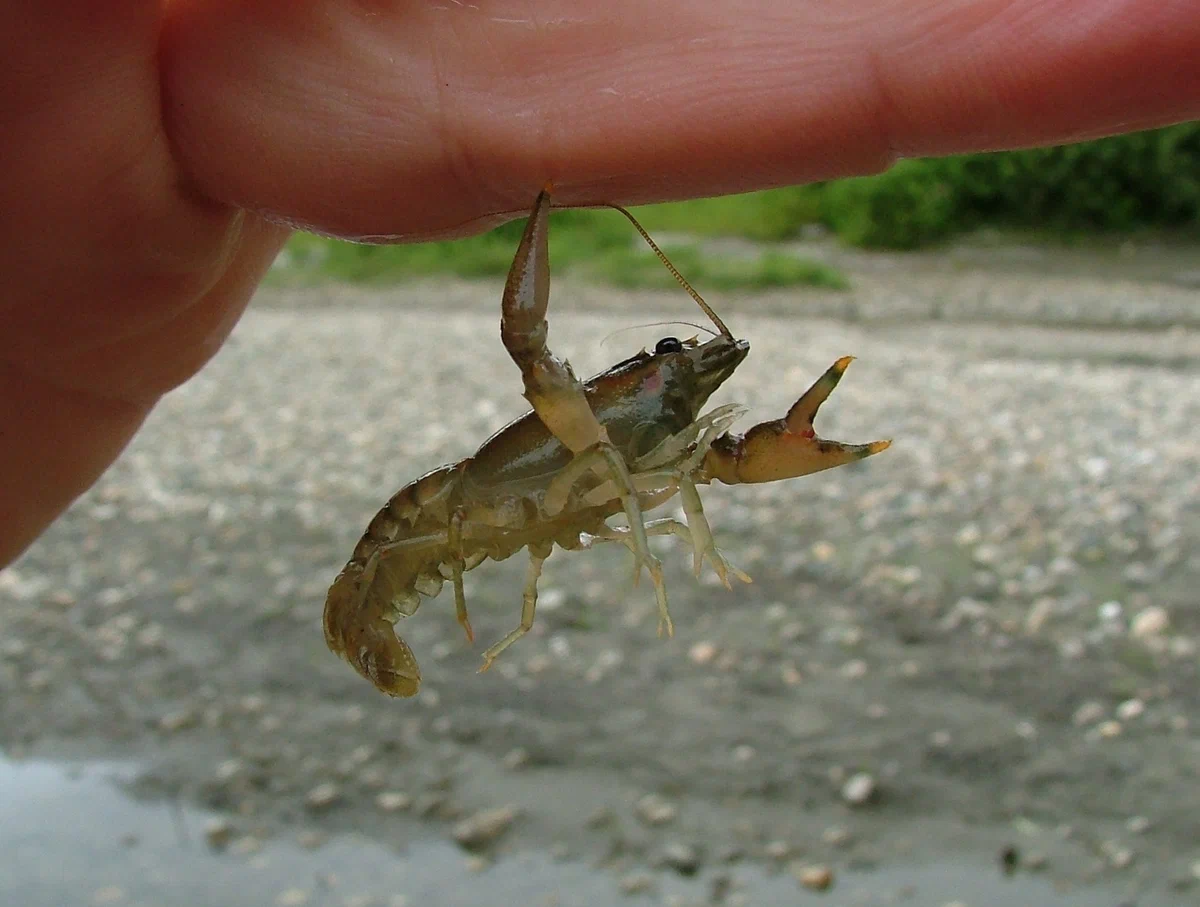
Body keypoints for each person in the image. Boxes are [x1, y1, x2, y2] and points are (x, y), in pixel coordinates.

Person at [2, 0, 1198, 568]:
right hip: (446, 520)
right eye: (663, 364)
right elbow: (539, 360)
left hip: (546, 496)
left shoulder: (646, 434)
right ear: (620, 384)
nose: (675, 373)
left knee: (666, 470)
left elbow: (698, 466)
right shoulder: (588, 427)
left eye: (668, 369)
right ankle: (392, 595)